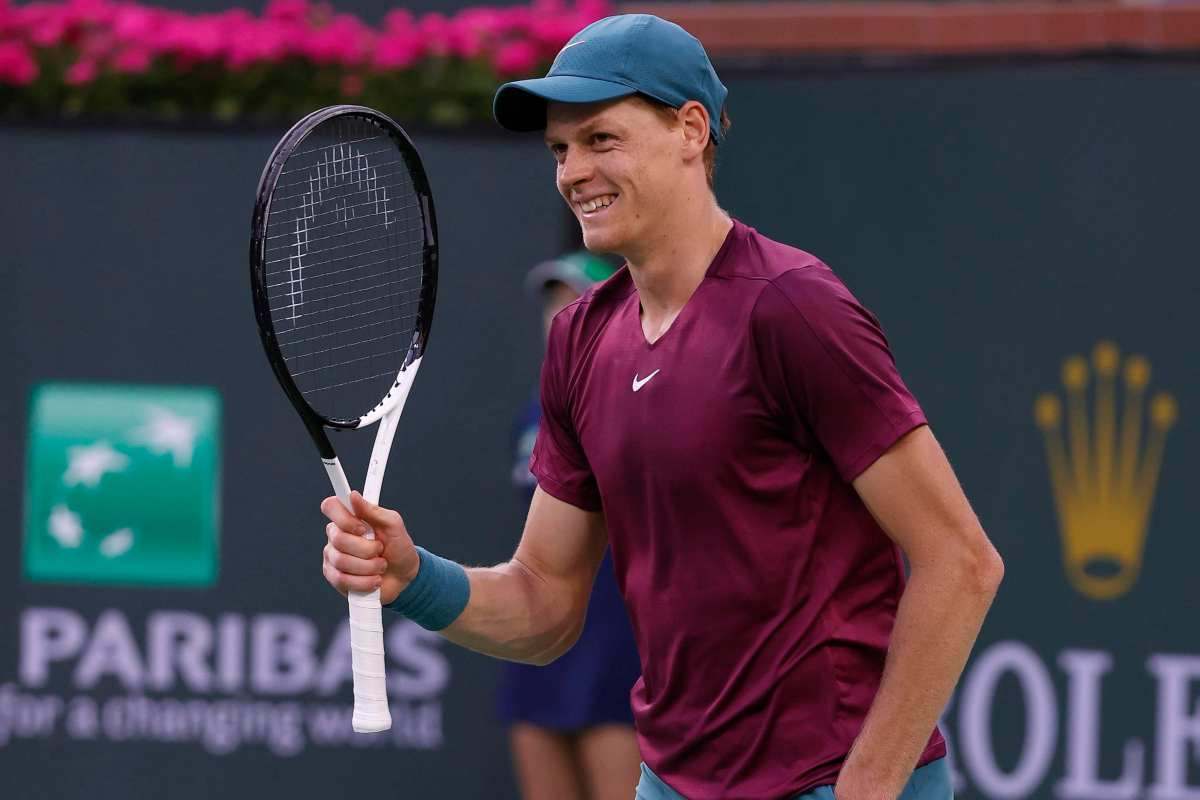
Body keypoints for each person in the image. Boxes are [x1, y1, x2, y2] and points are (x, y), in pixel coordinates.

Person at [320, 13, 1004, 800]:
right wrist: (411, 577)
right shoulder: (580, 340)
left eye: (601, 139)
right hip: (674, 783)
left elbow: (961, 562)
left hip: (832, 783)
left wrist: (869, 785)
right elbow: (544, 605)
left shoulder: (792, 308)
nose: (572, 171)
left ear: (690, 129)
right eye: (559, 149)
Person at [500, 252, 642, 800]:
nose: (560, 316)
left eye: (578, 302)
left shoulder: (642, 400)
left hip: (622, 645)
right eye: (554, 304)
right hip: (539, 641)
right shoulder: (533, 415)